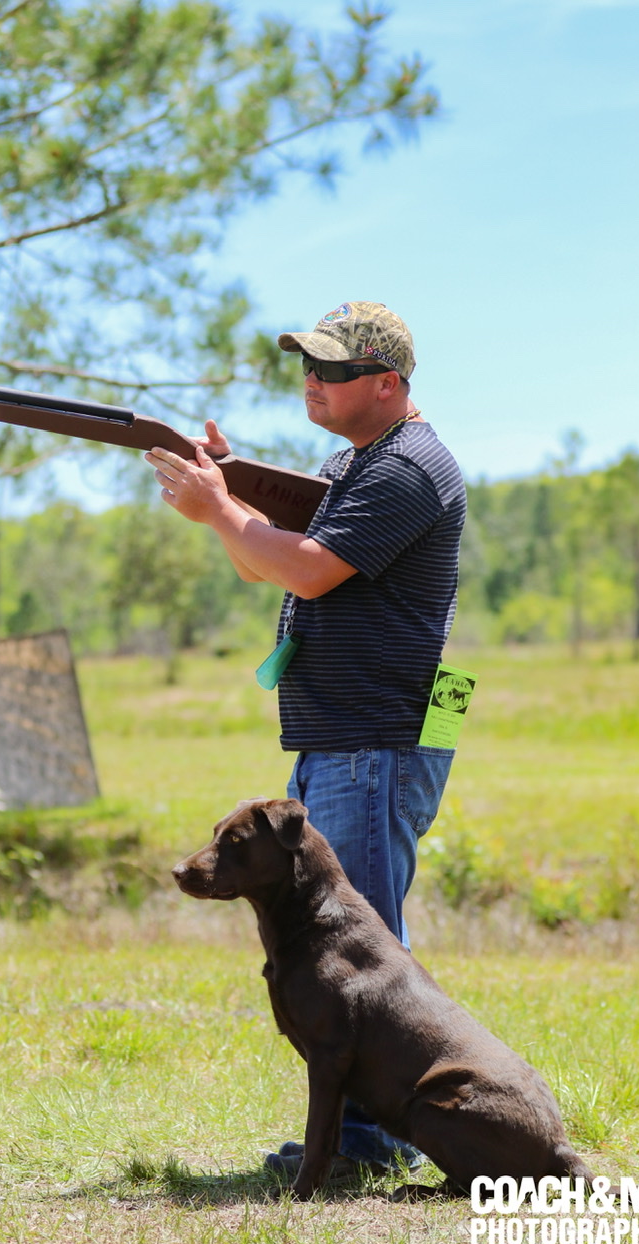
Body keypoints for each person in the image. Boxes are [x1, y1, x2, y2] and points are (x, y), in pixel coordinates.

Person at [145, 300, 466, 1183]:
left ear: (388, 384)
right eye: (307, 367)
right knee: (349, 940)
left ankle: (367, 1140)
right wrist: (224, 505)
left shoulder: (406, 468)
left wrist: (224, 505)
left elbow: (310, 572)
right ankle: (366, 1133)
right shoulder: (355, 463)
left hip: (373, 737)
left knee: (356, 946)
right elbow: (265, 561)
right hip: (344, 734)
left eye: (330, 371)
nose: (310, 383)